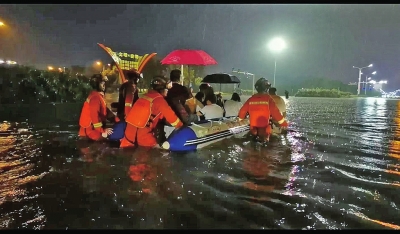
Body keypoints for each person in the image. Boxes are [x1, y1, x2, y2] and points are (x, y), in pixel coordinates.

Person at [120, 77, 183, 148]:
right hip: (143, 135)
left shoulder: (145, 96)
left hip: (129, 133)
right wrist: (181, 126)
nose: (167, 91)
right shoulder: (159, 100)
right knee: (159, 153)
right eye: (167, 88)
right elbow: (172, 118)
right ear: (162, 89)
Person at [238, 78, 288, 143]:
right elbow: (276, 113)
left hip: (253, 129)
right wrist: (284, 123)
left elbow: (242, 111)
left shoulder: (251, 99)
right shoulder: (269, 99)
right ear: (266, 89)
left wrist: (240, 120)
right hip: (264, 129)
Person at [78, 74, 116, 141]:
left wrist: (117, 120)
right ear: (96, 84)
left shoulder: (97, 96)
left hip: (93, 128)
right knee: (105, 143)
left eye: (104, 83)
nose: (104, 85)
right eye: (101, 83)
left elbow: (105, 111)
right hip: (91, 131)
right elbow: (95, 117)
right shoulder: (95, 98)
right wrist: (103, 131)